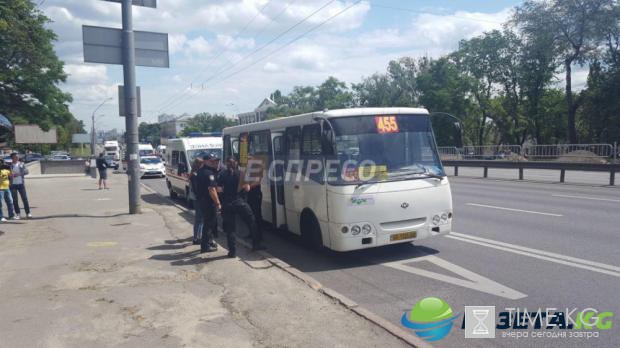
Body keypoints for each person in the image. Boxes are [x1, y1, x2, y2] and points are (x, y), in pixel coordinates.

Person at [218, 157, 265, 258]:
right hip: (239, 202)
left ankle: (232, 252)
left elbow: (219, 190)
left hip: (227, 203)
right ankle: (256, 244)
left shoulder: (222, 174)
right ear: (236, 163)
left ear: (226, 164)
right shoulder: (240, 173)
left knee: (230, 229)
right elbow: (247, 188)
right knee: (251, 221)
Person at [195, 153, 221, 253]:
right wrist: (218, 203)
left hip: (202, 201)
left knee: (208, 222)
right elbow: (212, 190)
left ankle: (208, 242)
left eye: (214, 161)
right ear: (205, 161)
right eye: (211, 161)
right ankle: (205, 246)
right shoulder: (208, 173)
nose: (213, 162)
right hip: (208, 202)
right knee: (209, 224)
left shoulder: (201, 171)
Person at [10, 153, 31, 219]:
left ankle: (28, 213)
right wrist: (10, 175)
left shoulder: (21, 164)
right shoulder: (9, 165)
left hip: (21, 184)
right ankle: (18, 214)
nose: (17, 157)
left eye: (17, 156)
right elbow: (7, 174)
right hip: (13, 185)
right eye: (15, 157)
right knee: (15, 200)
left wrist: (19, 174)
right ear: (12, 158)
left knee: (24, 199)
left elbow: (27, 171)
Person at [189, 157, 204, 245]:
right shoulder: (195, 175)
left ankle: (198, 236)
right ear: (198, 164)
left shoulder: (194, 173)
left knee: (199, 219)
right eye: (201, 164)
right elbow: (196, 189)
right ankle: (197, 237)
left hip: (196, 198)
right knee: (199, 219)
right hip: (197, 199)